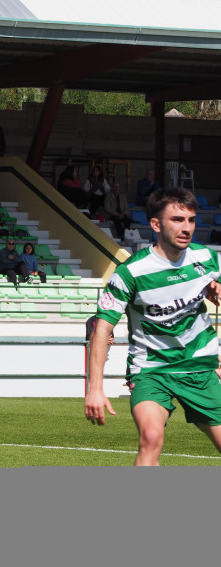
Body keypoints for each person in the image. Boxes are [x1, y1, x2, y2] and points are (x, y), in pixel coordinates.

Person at [85, 187, 221, 466]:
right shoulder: (130, 273)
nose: (186, 228)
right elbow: (102, 329)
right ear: (156, 224)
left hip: (199, 369)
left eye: (191, 220)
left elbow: (214, 285)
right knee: (150, 436)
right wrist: (95, 388)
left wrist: (216, 288)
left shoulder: (207, 258)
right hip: (152, 370)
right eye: (177, 220)